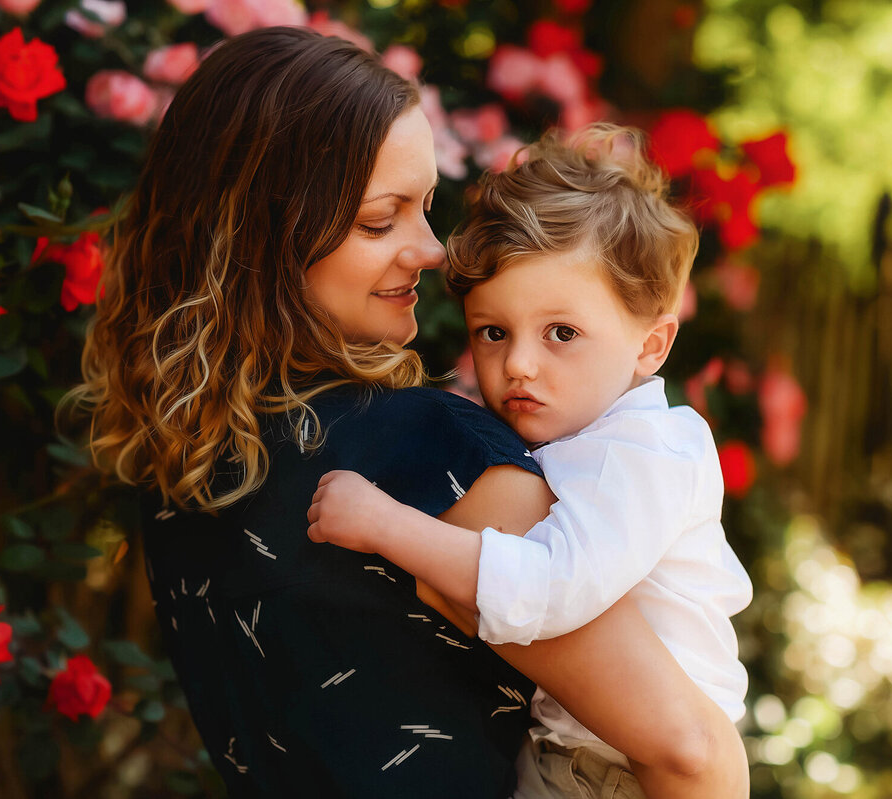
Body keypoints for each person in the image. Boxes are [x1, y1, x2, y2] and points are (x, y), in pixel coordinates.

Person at [64, 26, 747, 799]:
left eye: (425, 208)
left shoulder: (183, 469)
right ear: (270, 235)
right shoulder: (430, 453)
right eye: (380, 220)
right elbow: (691, 752)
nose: (430, 250)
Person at [307, 124, 753, 798]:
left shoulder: (640, 456)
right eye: (493, 331)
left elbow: (549, 589)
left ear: (651, 345)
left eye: (562, 333)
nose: (517, 363)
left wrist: (386, 526)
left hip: (612, 776)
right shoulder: (588, 433)